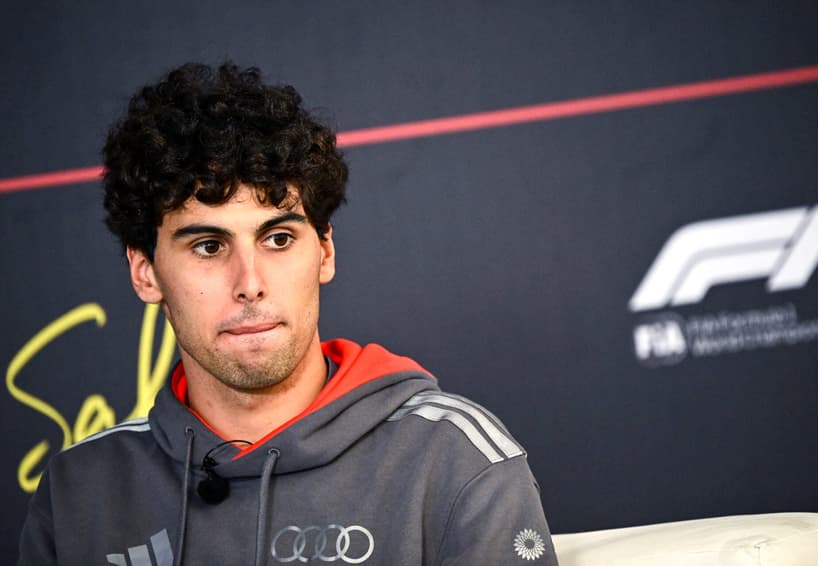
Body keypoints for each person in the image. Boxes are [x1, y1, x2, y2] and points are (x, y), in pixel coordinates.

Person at [17, 62, 556, 565]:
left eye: (277, 238)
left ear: (324, 251)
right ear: (146, 272)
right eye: (208, 246)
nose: (249, 284)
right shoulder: (79, 489)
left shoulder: (453, 461)